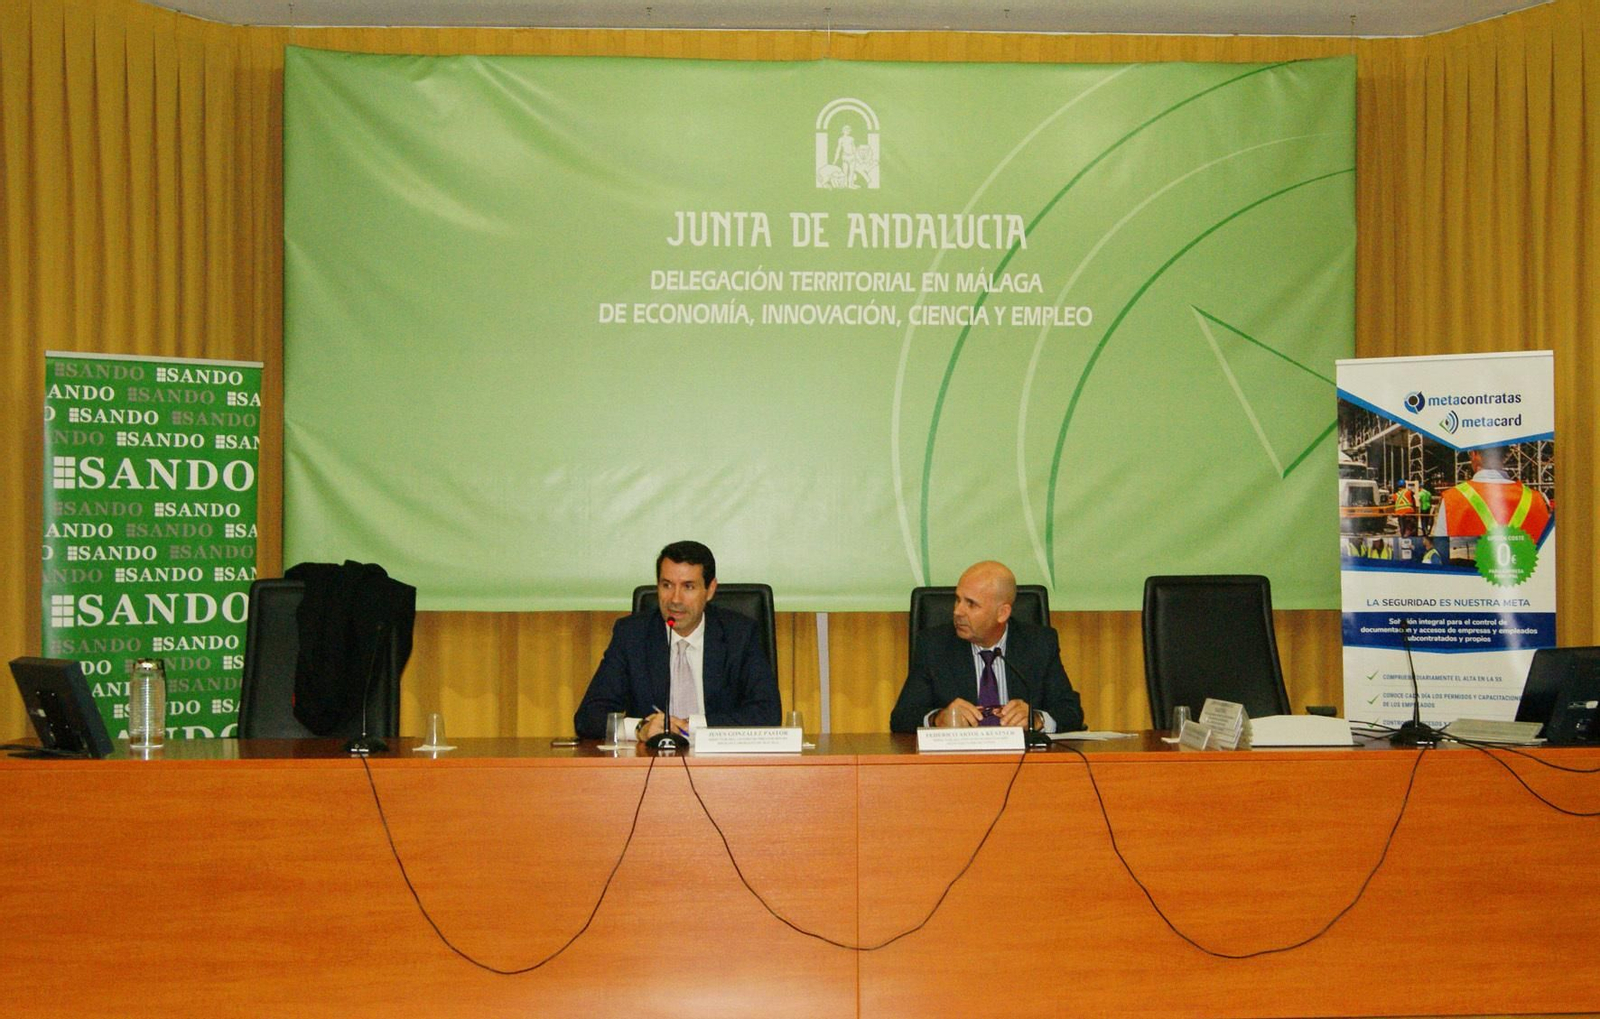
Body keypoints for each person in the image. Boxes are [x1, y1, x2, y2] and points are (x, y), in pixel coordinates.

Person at [573, 540, 779, 741]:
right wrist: (640, 728)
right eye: (667, 585)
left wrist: (693, 726)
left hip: (718, 760)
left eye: (688, 587)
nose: (675, 599)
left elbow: (768, 712)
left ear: (710, 590)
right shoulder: (632, 635)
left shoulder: (739, 634)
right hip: (651, 760)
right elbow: (588, 717)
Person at [890, 561, 1084, 733]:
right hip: (958, 759)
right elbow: (902, 717)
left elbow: (1071, 712)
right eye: (958, 599)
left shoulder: (1038, 644)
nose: (957, 611)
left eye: (971, 604)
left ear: (1002, 613)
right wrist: (937, 718)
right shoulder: (934, 645)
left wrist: (1037, 719)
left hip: (1022, 758)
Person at [1431, 446, 1552, 558]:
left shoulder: (1453, 498)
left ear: (1474, 454)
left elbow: (1441, 553)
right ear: (1505, 455)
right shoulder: (1535, 499)